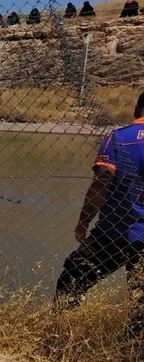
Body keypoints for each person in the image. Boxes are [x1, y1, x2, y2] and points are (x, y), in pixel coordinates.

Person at [54, 92, 144, 338]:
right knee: (141, 305)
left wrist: (83, 222)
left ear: (137, 109)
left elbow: (103, 180)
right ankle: (130, 360)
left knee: (73, 276)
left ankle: (60, 336)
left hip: (114, 233)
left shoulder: (117, 138)